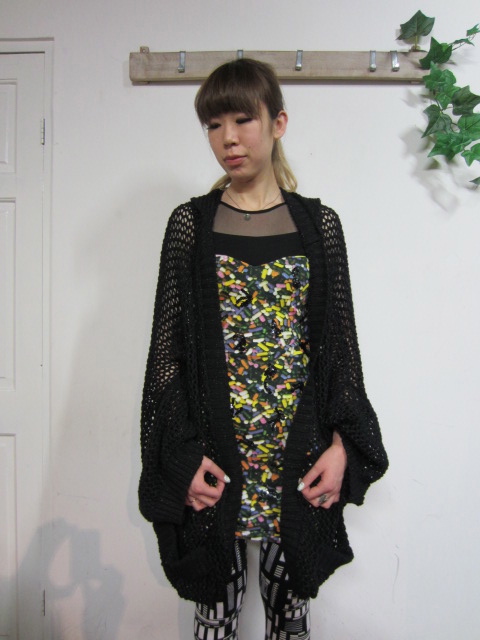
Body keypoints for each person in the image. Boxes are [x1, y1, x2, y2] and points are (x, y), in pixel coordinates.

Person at [139, 58, 388, 640]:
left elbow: (339, 354)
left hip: (297, 468)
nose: (227, 138)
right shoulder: (191, 226)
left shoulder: (319, 227)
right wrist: (181, 458)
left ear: (278, 123)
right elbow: (167, 360)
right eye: (213, 124)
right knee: (215, 617)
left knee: (290, 618)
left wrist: (343, 447)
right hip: (217, 468)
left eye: (242, 120)